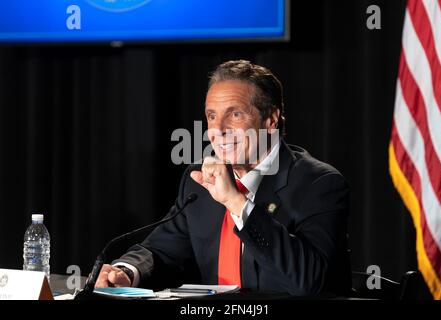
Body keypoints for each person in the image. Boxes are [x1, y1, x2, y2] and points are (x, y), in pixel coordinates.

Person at [95, 60, 351, 296]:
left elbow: (309, 281)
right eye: (212, 116)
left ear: (271, 119)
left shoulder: (319, 184)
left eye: (235, 114)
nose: (217, 130)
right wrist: (127, 272)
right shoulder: (200, 180)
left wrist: (237, 203)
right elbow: (161, 251)